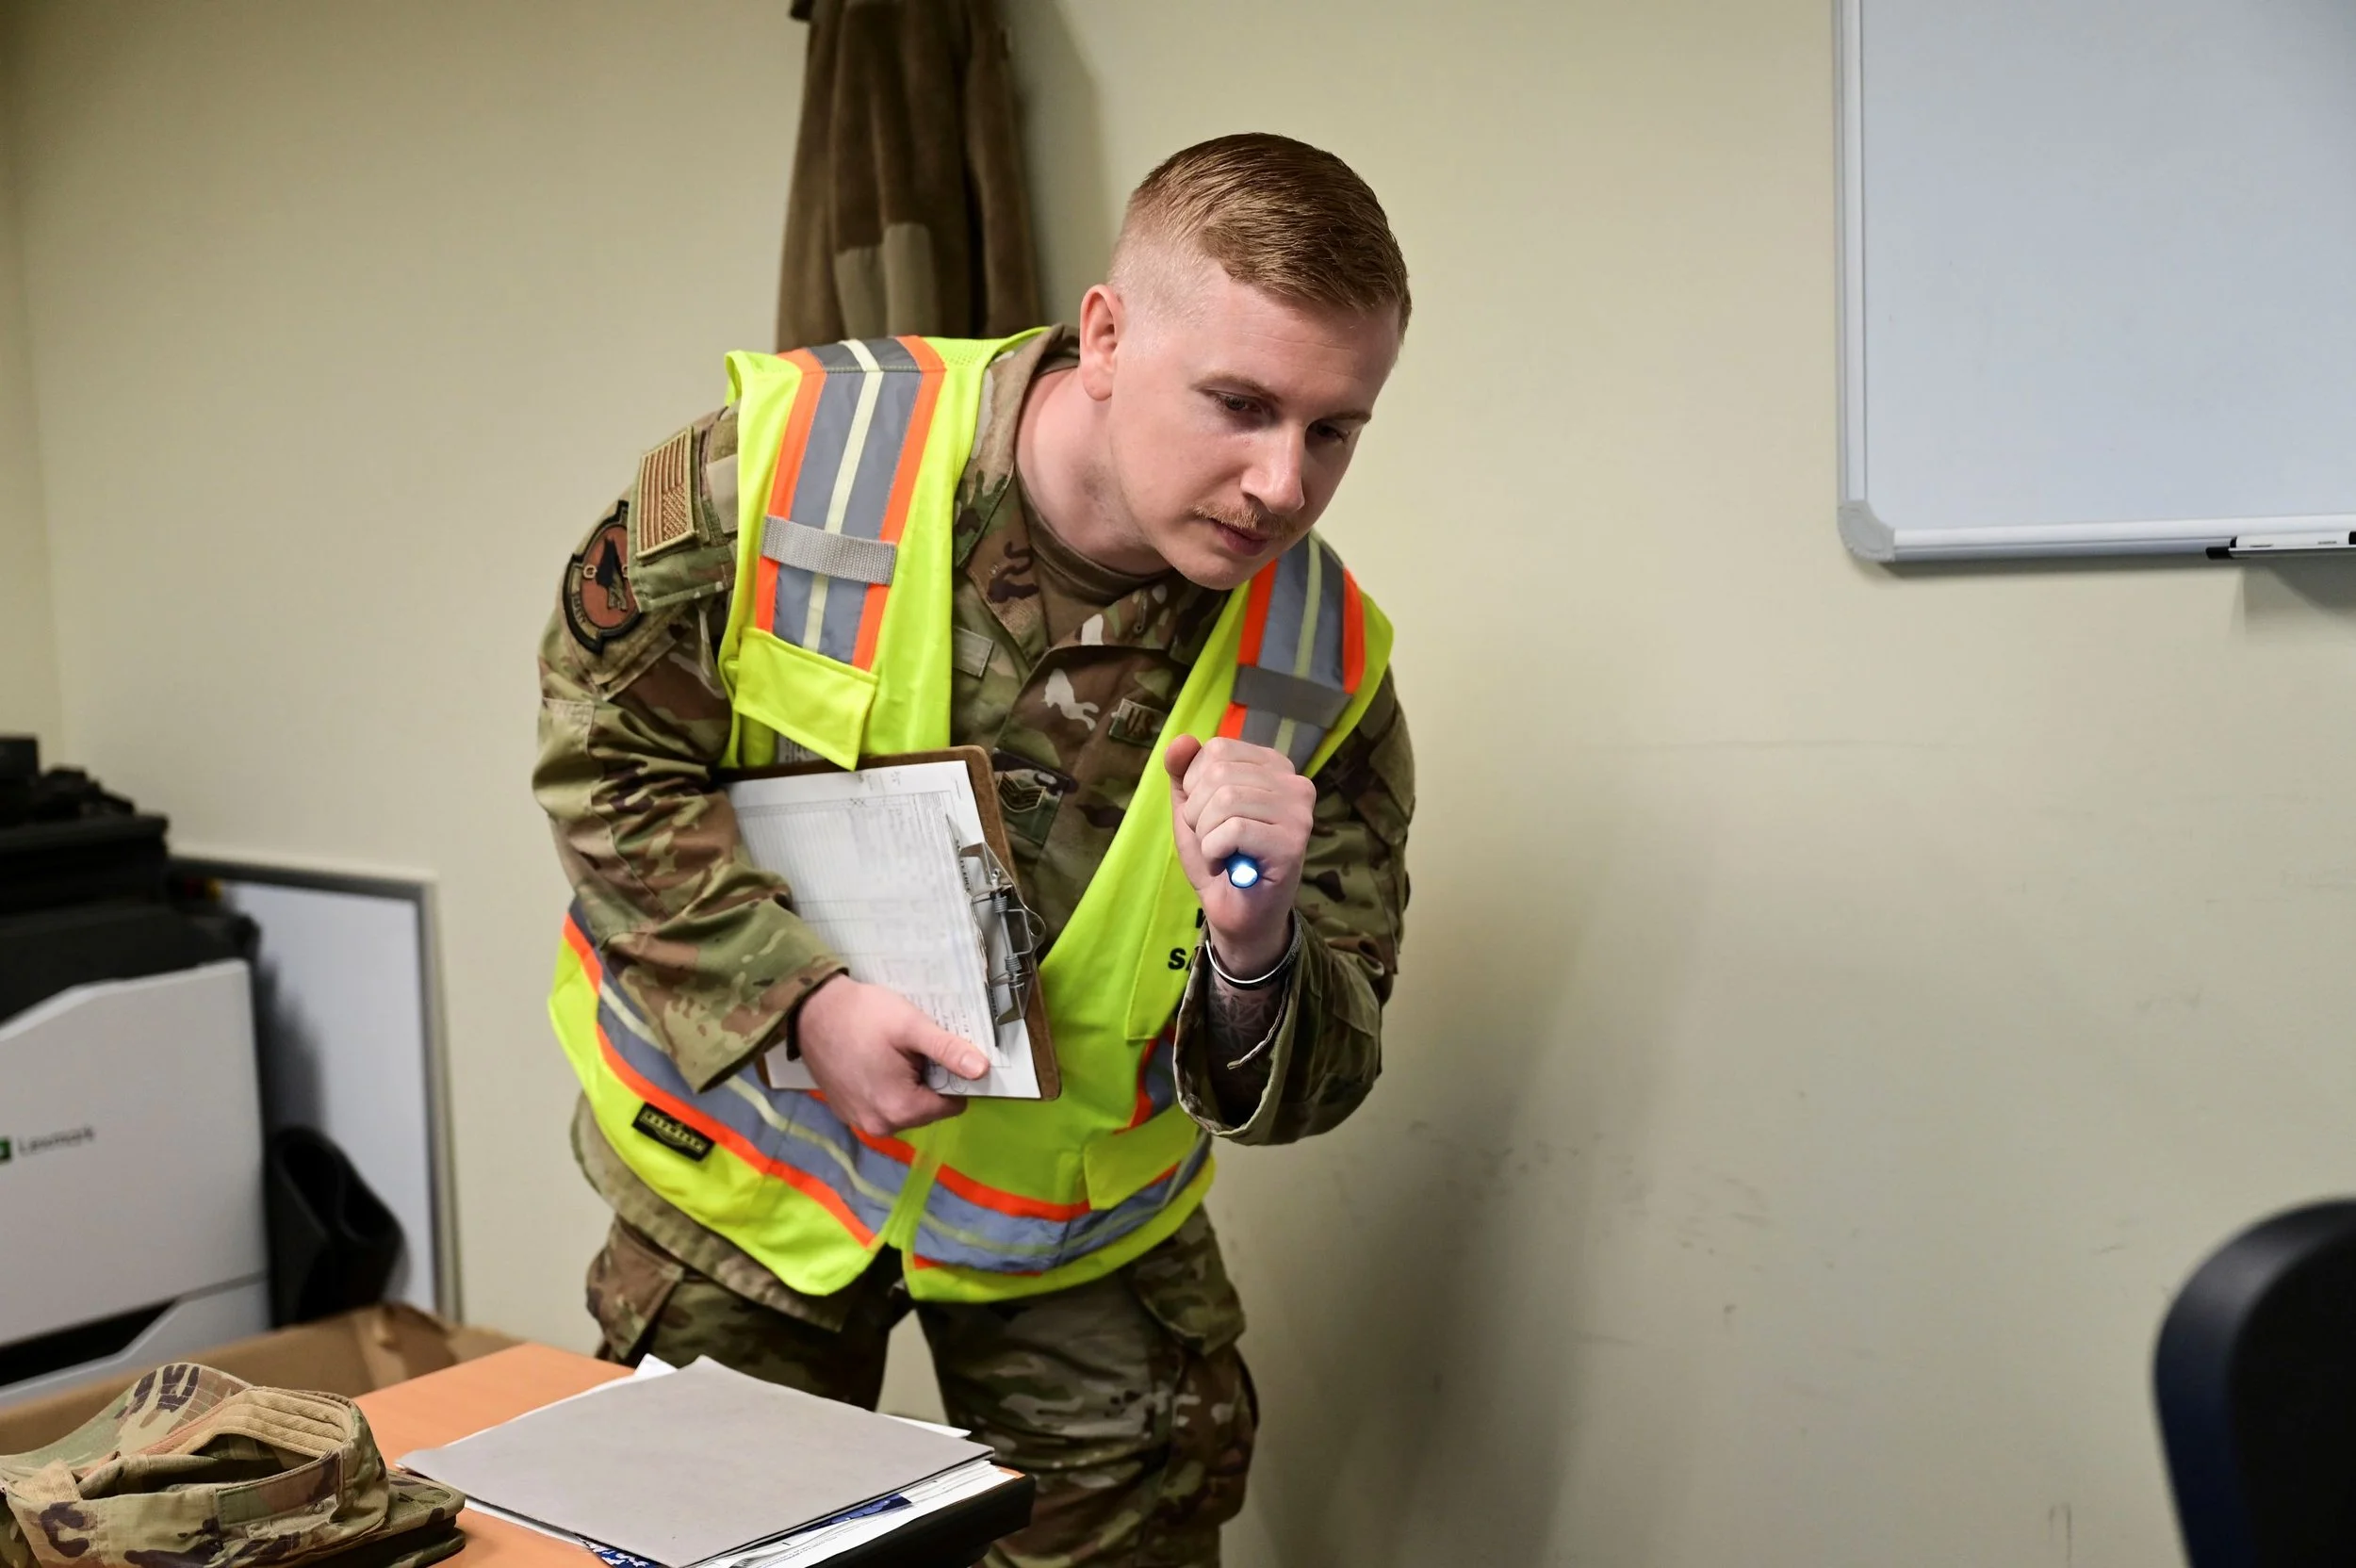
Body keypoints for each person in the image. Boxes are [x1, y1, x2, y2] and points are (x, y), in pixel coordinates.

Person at [532, 132, 1415, 1567]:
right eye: (1241, 404)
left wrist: (1257, 953)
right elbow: (604, 756)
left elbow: (1321, 1078)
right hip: (743, 1189)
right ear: (1107, 336)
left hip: (1066, 1235)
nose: (1281, 483)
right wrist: (800, 1001)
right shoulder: (799, 463)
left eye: (1333, 431)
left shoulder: (1323, 668)